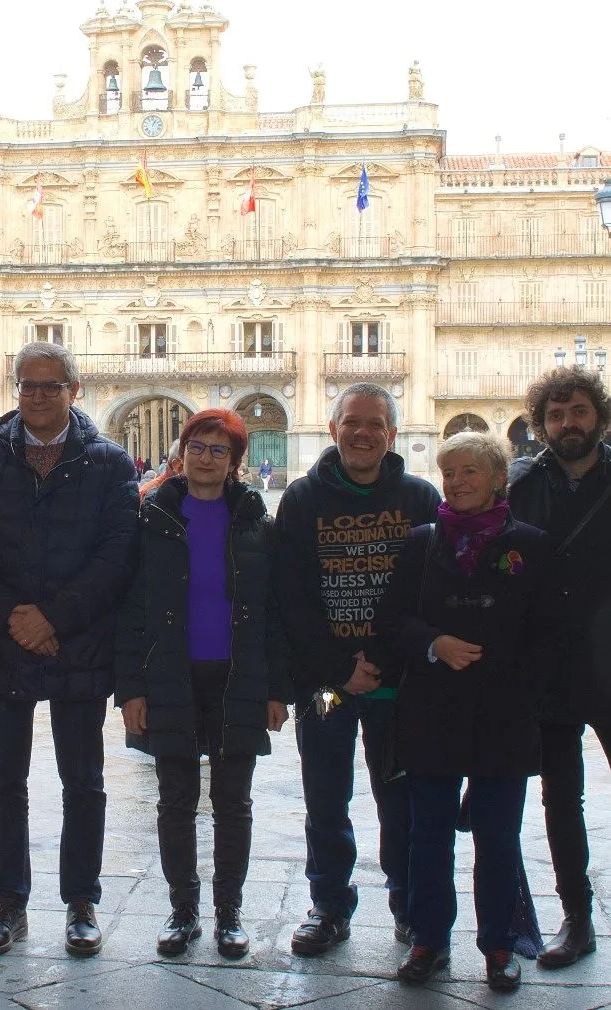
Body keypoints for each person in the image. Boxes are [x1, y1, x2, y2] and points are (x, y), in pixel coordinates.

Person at [0, 343, 138, 959]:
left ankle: (81, 901)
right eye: (27, 385)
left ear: (74, 390)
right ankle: (8, 901)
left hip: (76, 645)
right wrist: (16, 618)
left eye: (50, 385)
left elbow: (117, 556)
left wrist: (54, 618)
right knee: (3, 780)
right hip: (2, 643)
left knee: (83, 780)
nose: (36, 395)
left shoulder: (110, 465)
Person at [115, 409, 292, 959]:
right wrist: (131, 691)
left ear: (236, 462)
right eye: (197, 446)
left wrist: (276, 690)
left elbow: (274, 612)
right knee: (175, 801)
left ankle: (230, 912)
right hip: (171, 675)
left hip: (237, 676)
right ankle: (182, 910)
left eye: (219, 450)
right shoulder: (151, 521)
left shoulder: (258, 526)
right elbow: (131, 610)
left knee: (233, 802)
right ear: (181, 453)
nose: (206, 458)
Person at [380, 432, 550, 991]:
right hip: (433, 712)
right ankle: (429, 940)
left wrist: (510, 675)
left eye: (470, 471)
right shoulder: (421, 543)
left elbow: (548, 636)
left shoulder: (532, 545)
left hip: (504, 717)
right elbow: (393, 622)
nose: (457, 482)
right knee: (427, 835)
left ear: (498, 478)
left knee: (498, 838)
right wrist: (435, 643)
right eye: (450, 472)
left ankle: (499, 945)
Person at [275, 381, 440, 955]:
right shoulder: (301, 499)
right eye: (352, 421)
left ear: (391, 434)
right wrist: (340, 668)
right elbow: (291, 597)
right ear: (333, 429)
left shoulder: (420, 498)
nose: (362, 432)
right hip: (326, 686)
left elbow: (432, 596)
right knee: (325, 796)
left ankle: (408, 904)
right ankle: (329, 905)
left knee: (400, 800)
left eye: (374, 423)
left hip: (400, 686)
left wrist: (386, 664)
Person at [506, 367, 611, 968]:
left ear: (597, 413)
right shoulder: (521, 484)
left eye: (577, 411)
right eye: (556, 414)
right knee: (559, 796)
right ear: (541, 422)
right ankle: (578, 916)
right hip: (550, 668)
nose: (568, 423)